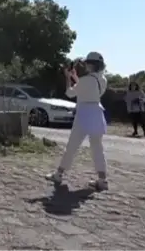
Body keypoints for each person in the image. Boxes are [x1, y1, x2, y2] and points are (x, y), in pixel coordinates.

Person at [45, 52, 109, 191]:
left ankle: (59, 174)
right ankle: (102, 180)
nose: (85, 65)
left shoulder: (86, 80)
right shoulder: (103, 79)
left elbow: (70, 92)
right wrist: (75, 77)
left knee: (72, 146)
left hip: (84, 113)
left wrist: (68, 78)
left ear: (91, 64)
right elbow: (87, 88)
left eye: (87, 63)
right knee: (97, 148)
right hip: (97, 112)